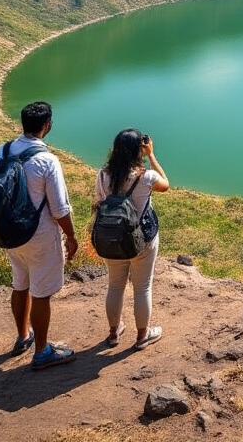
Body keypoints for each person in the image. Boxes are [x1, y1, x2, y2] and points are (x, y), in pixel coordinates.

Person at [4, 101, 79, 370]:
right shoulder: (47, 161)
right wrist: (71, 237)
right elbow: (59, 208)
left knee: (20, 284)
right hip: (39, 235)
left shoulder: (5, 150)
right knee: (41, 294)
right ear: (47, 125)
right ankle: (42, 351)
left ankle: (23, 336)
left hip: (11, 233)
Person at [95, 128, 170, 350]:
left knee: (115, 286)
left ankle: (114, 332)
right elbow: (165, 184)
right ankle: (142, 336)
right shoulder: (145, 176)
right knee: (142, 287)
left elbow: (99, 202)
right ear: (140, 149)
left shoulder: (103, 174)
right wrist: (151, 156)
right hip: (142, 241)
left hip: (111, 238)